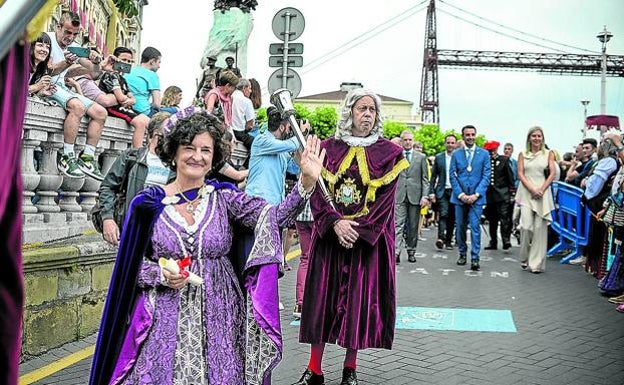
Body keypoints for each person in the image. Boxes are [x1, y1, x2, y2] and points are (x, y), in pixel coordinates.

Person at [89, 110, 325, 385]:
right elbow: (129, 270)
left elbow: (275, 218)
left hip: (221, 316)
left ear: (214, 157)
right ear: (173, 152)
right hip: (162, 319)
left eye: (205, 150)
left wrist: (305, 183)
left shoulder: (225, 199)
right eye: (189, 147)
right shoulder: (148, 205)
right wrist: (161, 275)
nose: (197, 156)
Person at [294, 88, 409, 385]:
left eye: (372, 110)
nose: (367, 114)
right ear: (350, 112)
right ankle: (314, 369)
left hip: (365, 244)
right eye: (362, 109)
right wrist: (334, 223)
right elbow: (318, 192)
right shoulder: (328, 149)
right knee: (322, 303)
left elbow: (385, 203)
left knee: (358, 304)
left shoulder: (390, 154)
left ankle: (350, 369)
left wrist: (355, 230)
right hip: (330, 239)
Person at [46, 11, 107, 180]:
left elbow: (94, 73)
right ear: (58, 27)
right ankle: (67, 156)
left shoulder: (73, 47)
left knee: (101, 113)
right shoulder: (46, 39)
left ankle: (87, 157)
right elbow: (46, 70)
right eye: (67, 32)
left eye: (74, 34)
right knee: (77, 107)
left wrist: (96, 62)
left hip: (62, 87)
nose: (70, 37)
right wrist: (66, 62)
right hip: (46, 84)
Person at [97, 112, 172, 246]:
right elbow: (108, 187)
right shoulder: (131, 158)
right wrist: (107, 219)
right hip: (131, 231)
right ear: (155, 134)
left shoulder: (177, 165)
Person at [449, 125, 491, 271]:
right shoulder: (456, 154)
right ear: (463, 136)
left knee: (475, 228)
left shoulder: (484, 154)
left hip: (477, 199)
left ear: (475, 135)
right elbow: (452, 175)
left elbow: (486, 176)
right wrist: (461, 195)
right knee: (460, 228)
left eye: (472, 134)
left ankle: (475, 258)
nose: (470, 137)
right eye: (467, 135)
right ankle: (462, 253)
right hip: (459, 198)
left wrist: (476, 195)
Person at [515, 126, 556, 273]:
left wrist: (542, 189)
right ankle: (524, 257)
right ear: (529, 138)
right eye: (534, 136)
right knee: (526, 227)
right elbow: (520, 173)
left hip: (543, 192)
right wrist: (532, 189)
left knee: (540, 229)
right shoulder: (522, 154)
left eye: (539, 136)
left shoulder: (548, 154)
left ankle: (536, 264)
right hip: (526, 192)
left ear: (543, 138)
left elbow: (552, 173)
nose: (537, 139)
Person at [98, 46, 150, 148]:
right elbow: (121, 98)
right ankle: (136, 153)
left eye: (130, 61)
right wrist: (130, 100)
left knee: (149, 122)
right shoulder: (111, 75)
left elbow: (132, 97)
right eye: (124, 60)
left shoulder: (123, 79)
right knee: (140, 123)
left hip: (124, 107)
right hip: (113, 108)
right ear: (115, 60)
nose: (127, 63)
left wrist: (131, 100)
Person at [394, 129, 429, 263]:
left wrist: (425, 196)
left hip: (415, 196)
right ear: (401, 141)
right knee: (398, 225)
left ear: (413, 141)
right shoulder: (396, 156)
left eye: (410, 140)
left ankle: (411, 250)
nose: (408, 142)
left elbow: (425, 179)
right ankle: (396, 252)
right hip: (399, 195)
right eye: (405, 140)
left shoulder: (421, 157)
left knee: (413, 226)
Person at [483, 140, 515, 251]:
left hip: (503, 194)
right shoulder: (485, 161)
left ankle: (506, 239)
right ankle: (493, 241)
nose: (491, 153)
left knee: (504, 217)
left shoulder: (504, 160)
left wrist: (512, 193)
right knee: (492, 219)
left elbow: (510, 177)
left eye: (492, 150)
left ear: (496, 149)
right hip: (490, 195)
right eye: (489, 151)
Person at [429, 134, 457, 250]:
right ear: (445, 143)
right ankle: (440, 238)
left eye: (452, 143)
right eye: (448, 142)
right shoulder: (439, 157)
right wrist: (431, 192)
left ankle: (449, 240)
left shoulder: (459, 157)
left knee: (452, 217)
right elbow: (433, 176)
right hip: (442, 191)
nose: (450, 145)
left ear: (455, 144)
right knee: (443, 214)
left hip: (455, 191)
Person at [125, 46, 162, 117]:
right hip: (143, 112)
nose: (159, 66)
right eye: (159, 62)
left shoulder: (129, 71)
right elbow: (157, 104)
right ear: (152, 61)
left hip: (128, 109)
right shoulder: (152, 75)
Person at [28, 33, 57, 98]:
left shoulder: (40, 70)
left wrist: (41, 92)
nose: (44, 50)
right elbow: (13, 90)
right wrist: (37, 86)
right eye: (40, 45)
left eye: (47, 47)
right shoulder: (21, 65)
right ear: (31, 46)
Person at [231, 78, 256, 151]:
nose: (250, 91)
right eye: (250, 88)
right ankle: (249, 162)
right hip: (239, 133)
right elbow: (250, 125)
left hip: (229, 130)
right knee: (256, 145)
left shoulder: (230, 96)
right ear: (244, 88)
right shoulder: (247, 101)